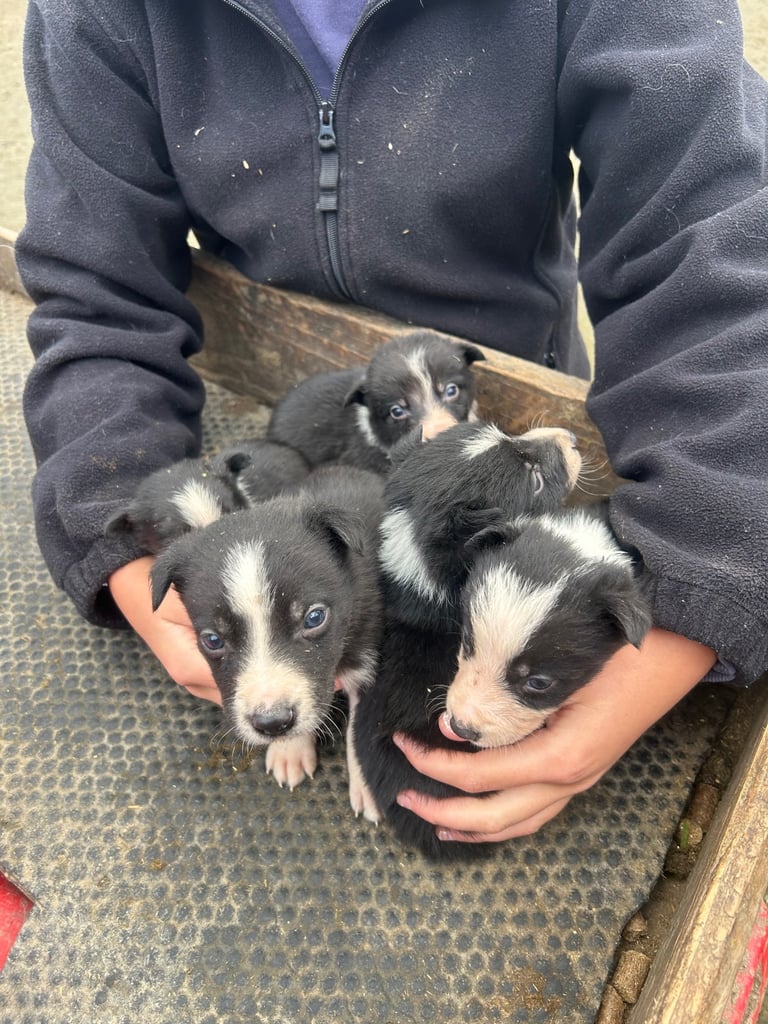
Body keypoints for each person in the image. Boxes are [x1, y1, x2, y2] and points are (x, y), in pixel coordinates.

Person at [18, 0, 768, 845]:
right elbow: (94, 293)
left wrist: (693, 596)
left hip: (517, 373)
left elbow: (721, 254)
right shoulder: (100, 17)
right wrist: (123, 526)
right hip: (287, 393)